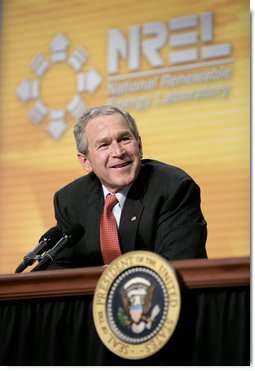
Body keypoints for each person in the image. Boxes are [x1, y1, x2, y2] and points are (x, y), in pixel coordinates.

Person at [47, 105, 207, 269]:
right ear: (85, 162)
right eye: (104, 145)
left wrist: (113, 275)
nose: (118, 151)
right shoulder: (70, 200)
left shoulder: (173, 189)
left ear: (139, 146)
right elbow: (59, 269)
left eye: (124, 139)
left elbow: (177, 265)